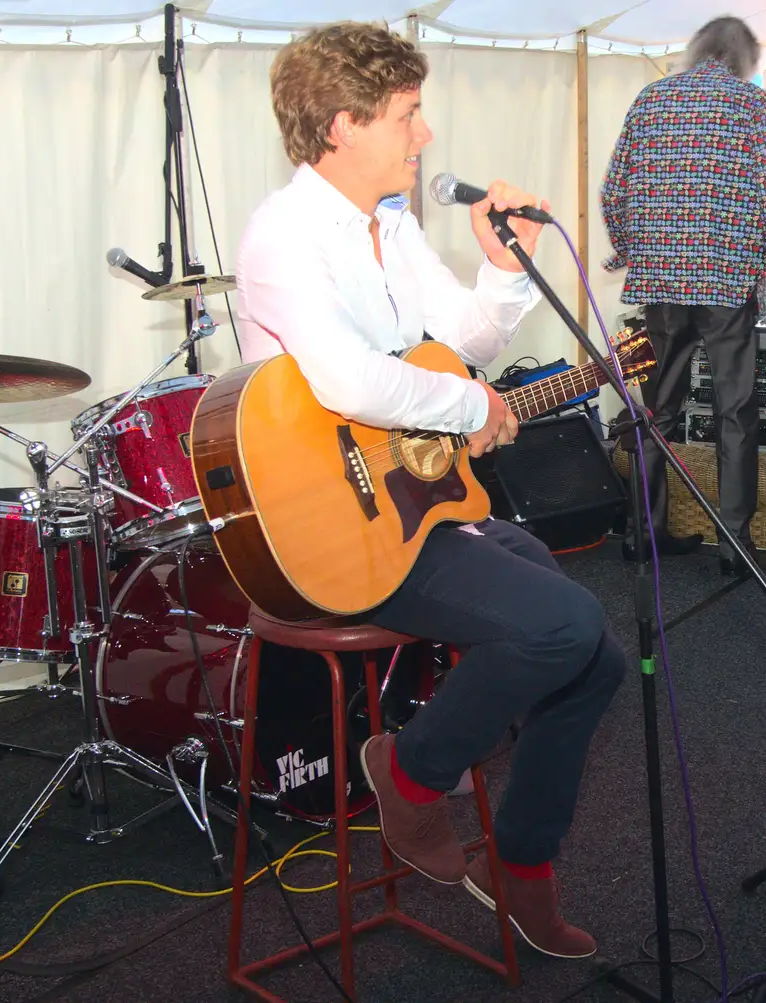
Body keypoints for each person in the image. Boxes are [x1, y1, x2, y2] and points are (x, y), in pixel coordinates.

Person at [236, 22, 625, 960]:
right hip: (336, 528)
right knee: (562, 628)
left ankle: (520, 866)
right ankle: (408, 775)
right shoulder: (284, 235)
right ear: (341, 126)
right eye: (408, 115)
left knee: (599, 657)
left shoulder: (394, 224)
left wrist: (501, 269)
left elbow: (465, 343)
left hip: (416, 505)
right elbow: (349, 380)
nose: (426, 135)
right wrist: (466, 403)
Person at [601, 15, 766, 575]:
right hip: (724, 283)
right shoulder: (748, 104)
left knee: (657, 412)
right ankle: (734, 545)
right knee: (734, 412)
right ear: (744, 59)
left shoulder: (651, 99)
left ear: (697, 51)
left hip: (662, 285)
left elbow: (615, 187)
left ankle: (644, 534)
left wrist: (629, 249)